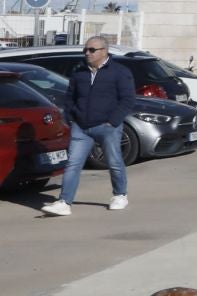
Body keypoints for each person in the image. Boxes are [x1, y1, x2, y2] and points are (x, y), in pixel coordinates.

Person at [43, 37, 134, 216]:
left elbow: (128, 99)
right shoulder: (79, 72)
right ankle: (64, 202)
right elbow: (70, 97)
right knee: (73, 164)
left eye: (92, 50)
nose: (87, 53)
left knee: (114, 162)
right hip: (81, 127)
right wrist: (70, 117)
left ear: (104, 51)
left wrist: (113, 121)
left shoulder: (119, 72)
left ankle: (120, 195)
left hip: (107, 126)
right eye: (85, 50)